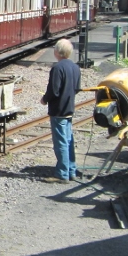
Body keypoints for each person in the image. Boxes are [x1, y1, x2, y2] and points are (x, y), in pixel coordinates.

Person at [40, 38, 81, 182]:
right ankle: (71, 170)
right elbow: (77, 88)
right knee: (69, 141)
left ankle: (62, 174)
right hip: (69, 108)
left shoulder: (57, 68)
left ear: (57, 52)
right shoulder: (75, 67)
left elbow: (54, 90)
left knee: (61, 143)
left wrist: (45, 99)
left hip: (58, 110)